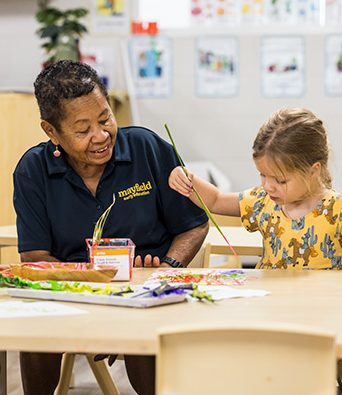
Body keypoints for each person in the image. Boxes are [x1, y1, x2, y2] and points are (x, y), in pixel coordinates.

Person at [13, 59, 209, 395]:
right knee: (35, 335)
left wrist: (167, 267)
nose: (101, 136)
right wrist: (96, 294)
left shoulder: (147, 149)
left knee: (145, 338)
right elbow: (35, 256)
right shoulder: (34, 170)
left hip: (146, 293)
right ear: (51, 131)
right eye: (82, 129)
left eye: (106, 119)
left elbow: (195, 224)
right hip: (72, 294)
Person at [169, 107, 342, 277]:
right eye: (262, 175)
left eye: (280, 180)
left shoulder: (338, 208)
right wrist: (187, 179)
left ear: (313, 171)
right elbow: (216, 200)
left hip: (324, 307)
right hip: (271, 305)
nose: (268, 186)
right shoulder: (262, 201)